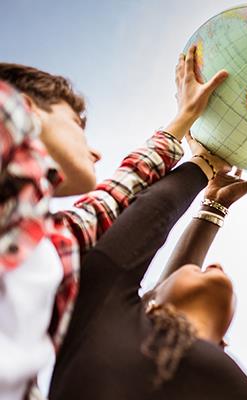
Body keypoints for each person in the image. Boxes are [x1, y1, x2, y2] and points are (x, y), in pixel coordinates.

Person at [0, 44, 227, 398]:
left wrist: (200, 153)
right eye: (77, 124)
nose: (95, 152)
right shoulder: (6, 114)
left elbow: (114, 198)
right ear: (27, 110)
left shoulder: (53, 245)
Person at [48, 157, 247, 399]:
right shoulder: (99, 314)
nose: (215, 265)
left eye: (199, 268)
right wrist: (210, 193)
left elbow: (153, 212)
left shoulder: (103, 313)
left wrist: (206, 164)